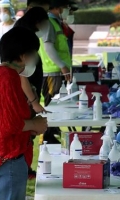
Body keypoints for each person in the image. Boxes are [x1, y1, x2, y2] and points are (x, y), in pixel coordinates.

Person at [0, 27, 48, 200]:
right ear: (23, 56)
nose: (35, 60)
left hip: (6, 162)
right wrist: (35, 124)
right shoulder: (5, 78)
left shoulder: (5, 76)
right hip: (6, 163)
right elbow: (9, 126)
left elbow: (10, 118)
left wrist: (30, 125)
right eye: (34, 54)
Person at [14, 6, 49, 179]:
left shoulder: (24, 32)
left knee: (28, 135)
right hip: (27, 96)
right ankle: (24, 169)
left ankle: (25, 168)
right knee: (26, 133)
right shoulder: (23, 35)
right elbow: (23, 77)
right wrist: (34, 101)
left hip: (30, 93)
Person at [39, 0, 72, 143]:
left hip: (56, 71)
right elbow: (48, 47)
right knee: (51, 106)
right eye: (67, 8)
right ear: (58, 8)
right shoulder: (49, 23)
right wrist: (62, 66)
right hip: (52, 71)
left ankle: (52, 134)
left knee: (55, 106)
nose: (68, 11)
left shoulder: (55, 22)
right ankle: (47, 138)